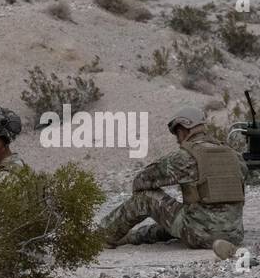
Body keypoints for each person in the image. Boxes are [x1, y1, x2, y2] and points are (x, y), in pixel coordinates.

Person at [99, 107, 246, 253]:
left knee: (145, 198)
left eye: (177, 134)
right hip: (234, 236)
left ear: (183, 130)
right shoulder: (235, 156)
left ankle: (100, 237)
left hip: (198, 235)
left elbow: (141, 181)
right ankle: (134, 237)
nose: (177, 140)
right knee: (177, 221)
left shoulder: (184, 157)